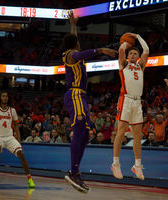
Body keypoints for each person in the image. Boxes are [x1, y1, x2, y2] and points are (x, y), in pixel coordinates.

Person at [62, 11, 116, 193]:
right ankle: (73, 172)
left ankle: (75, 171)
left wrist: (73, 25)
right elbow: (78, 54)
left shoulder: (73, 50)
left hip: (81, 96)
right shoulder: (70, 55)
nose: (79, 43)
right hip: (75, 94)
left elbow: (74, 41)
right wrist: (100, 50)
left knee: (85, 134)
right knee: (78, 129)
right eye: (77, 42)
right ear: (75, 45)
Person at [112, 32, 149, 180]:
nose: (133, 54)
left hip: (137, 101)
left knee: (137, 135)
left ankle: (137, 165)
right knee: (121, 131)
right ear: (128, 56)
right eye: (131, 53)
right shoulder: (124, 65)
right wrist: (125, 43)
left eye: (135, 53)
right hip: (125, 100)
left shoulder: (140, 66)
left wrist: (138, 36)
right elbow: (121, 51)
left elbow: (146, 50)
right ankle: (115, 163)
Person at [0, 91, 35, 188]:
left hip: (9, 137)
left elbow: (16, 125)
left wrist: (18, 136)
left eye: (6, 96)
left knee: (21, 154)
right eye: (3, 96)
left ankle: (30, 179)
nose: (5, 98)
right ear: (0, 98)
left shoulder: (12, 110)